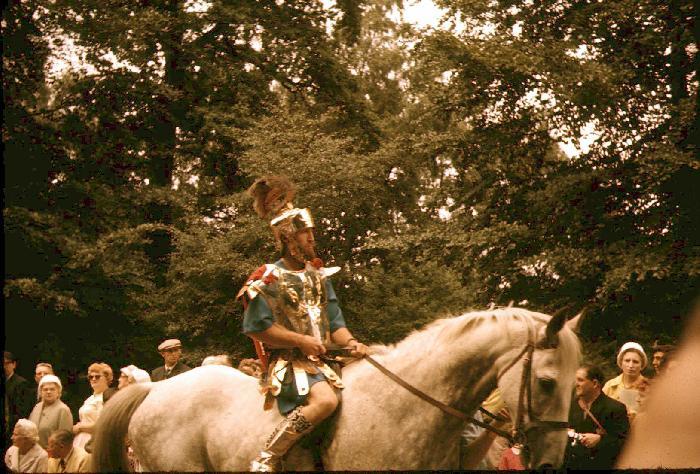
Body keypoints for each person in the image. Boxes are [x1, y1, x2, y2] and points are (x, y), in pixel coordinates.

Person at [237, 176, 368, 471]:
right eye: (304, 234)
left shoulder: (320, 277)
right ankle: (268, 454)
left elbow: (336, 325)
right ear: (288, 238)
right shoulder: (269, 277)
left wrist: (352, 343)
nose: (312, 239)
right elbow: (257, 327)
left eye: (311, 233)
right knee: (325, 402)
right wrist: (301, 341)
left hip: (327, 363)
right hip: (290, 364)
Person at [565, 364, 629, 469]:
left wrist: (600, 440)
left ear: (595, 383)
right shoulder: (569, 406)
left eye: (580, 380)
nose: (575, 384)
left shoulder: (616, 408)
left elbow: (624, 443)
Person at [72, 363, 115, 450]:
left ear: (107, 378)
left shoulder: (107, 398)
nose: (93, 379)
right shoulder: (90, 399)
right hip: (80, 441)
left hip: (95, 442)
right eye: (91, 377)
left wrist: (80, 427)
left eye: (97, 376)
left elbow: (102, 426)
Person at [602, 341, 649, 418]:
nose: (630, 365)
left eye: (635, 362)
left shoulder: (649, 387)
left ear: (642, 365)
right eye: (627, 361)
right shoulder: (610, 386)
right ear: (621, 362)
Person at [27, 375, 73, 449]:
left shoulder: (63, 409)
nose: (48, 392)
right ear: (40, 392)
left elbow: (64, 439)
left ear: (58, 392)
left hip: (52, 455)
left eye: (52, 389)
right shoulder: (37, 407)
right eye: (45, 389)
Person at [4, 352, 34, 449]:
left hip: (12, 431)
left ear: (14, 365)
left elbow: (22, 412)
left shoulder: (21, 383)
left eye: (6, 363)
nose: (3, 366)